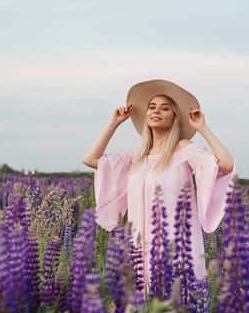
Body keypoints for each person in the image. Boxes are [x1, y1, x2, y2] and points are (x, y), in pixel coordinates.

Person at [82, 79, 235, 284]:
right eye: (152, 107)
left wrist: (202, 128)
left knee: (176, 302)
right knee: (144, 306)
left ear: (174, 117)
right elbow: (91, 160)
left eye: (164, 108)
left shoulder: (184, 149)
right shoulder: (136, 155)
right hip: (140, 245)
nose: (156, 111)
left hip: (176, 244)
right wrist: (114, 123)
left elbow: (225, 164)